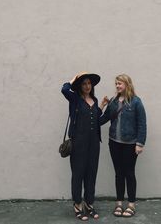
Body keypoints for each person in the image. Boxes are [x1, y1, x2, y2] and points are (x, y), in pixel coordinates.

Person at [61, 72, 107, 221]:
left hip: (94, 143)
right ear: (80, 86)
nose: (87, 86)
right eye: (84, 83)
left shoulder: (94, 99)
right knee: (78, 174)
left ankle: (89, 204)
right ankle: (77, 204)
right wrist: (74, 78)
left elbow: (94, 117)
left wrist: (102, 106)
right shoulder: (74, 99)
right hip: (78, 143)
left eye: (89, 84)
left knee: (91, 173)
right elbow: (64, 89)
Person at [100, 74, 147, 218]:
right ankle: (119, 203)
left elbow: (142, 124)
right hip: (114, 142)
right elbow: (103, 119)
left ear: (127, 84)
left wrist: (140, 143)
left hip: (130, 144)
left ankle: (131, 204)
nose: (117, 86)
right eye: (116, 84)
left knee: (129, 173)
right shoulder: (113, 101)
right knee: (118, 173)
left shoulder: (136, 102)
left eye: (120, 83)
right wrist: (100, 107)